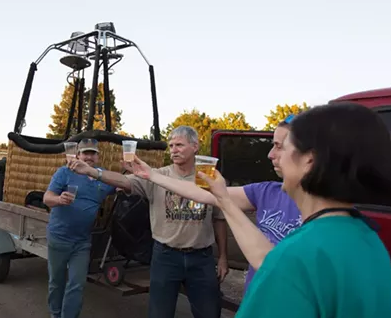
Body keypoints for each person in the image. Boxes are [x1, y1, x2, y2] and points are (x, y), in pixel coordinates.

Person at [203, 103, 391, 318]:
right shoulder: (369, 242)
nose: (275, 157)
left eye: (284, 147)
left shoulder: (297, 259)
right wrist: (222, 197)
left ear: (310, 160)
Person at [69, 126, 229, 318]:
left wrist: (222, 257)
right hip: (166, 256)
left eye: (179, 145)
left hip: (201, 259)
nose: (174, 150)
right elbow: (125, 182)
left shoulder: (208, 177)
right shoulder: (158, 176)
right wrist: (93, 172)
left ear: (195, 147)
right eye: (171, 145)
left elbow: (220, 219)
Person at [127, 116, 302, 293]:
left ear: (308, 155)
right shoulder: (266, 191)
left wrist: (222, 200)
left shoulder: (326, 217)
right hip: (257, 299)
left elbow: (268, 262)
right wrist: (152, 175)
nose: (270, 154)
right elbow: (204, 194)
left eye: (279, 146)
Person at [42, 139, 117, 318]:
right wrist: (59, 200)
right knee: (56, 281)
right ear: (78, 155)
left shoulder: (102, 178)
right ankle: (55, 316)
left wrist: (130, 178)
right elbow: (47, 197)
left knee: (77, 283)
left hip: (82, 241)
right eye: (85, 154)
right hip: (59, 236)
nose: (89, 157)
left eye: (93, 154)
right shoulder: (64, 173)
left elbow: (123, 185)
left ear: (98, 157)